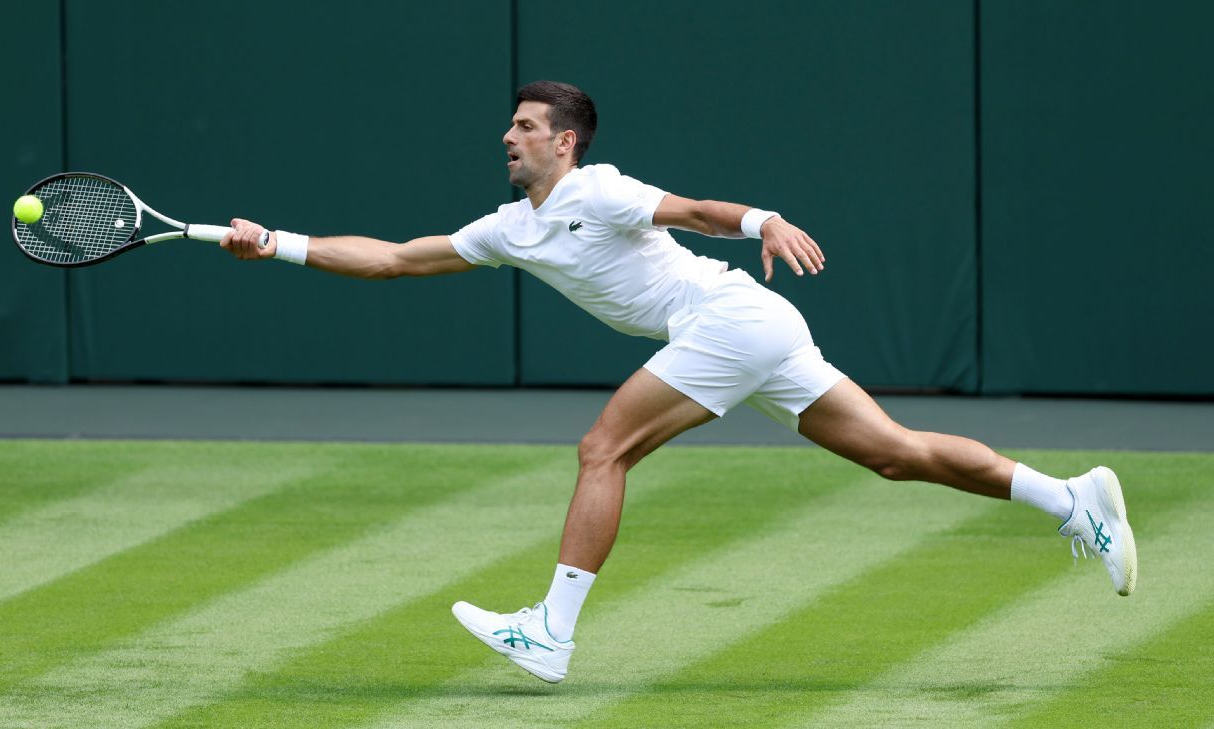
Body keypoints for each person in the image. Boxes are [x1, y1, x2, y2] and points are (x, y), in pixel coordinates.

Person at [220, 80, 1137, 684]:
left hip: (730, 319)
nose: (508, 134)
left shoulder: (600, 189)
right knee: (894, 455)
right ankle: (1074, 501)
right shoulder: (510, 226)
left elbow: (697, 210)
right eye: (510, 124)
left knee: (602, 447)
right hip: (753, 329)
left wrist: (765, 216)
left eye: (526, 126)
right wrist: (277, 244)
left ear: (565, 143)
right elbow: (391, 259)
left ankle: (551, 631)